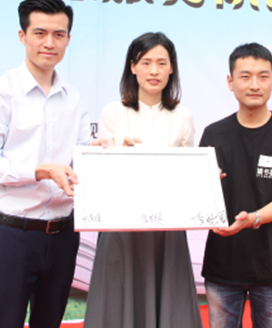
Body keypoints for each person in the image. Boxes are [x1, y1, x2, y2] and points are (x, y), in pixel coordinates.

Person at [0, 0, 92, 328]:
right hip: (13, 233)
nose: (49, 43)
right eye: (40, 33)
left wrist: (104, 151)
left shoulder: (73, 97)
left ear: (68, 39)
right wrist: (41, 171)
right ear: (22, 36)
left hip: (64, 234)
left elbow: (81, 154)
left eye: (58, 34)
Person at [83, 32, 203, 328]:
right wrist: (118, 153)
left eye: (162, 63)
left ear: (172, 68)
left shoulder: (183, 116)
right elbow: (102, 173)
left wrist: (204, 177)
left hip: (167, 229)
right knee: (119, 301)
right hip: (121, 225)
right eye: (146, 62)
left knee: (170, 305)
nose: (154, 71)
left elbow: (187, 174)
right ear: (132, 66)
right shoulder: (113, 112)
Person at [199, 43, 272, 328]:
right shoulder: (214, 134)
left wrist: (253, 219)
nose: (254, 85)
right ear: (230, 82)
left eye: (263, 76)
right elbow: (200, 195)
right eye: (245, 76)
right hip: (223, 262)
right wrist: (205, 186)